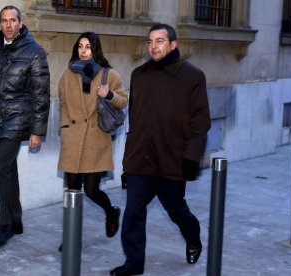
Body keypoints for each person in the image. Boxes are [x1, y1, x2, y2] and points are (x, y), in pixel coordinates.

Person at [110, 23, 211, 275]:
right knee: (133, 211)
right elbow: (136, 119)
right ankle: (134, 264)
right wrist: (128, 162)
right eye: (150, 41)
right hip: (140, 160)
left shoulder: (192, 76)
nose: (153, 46)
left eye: (159, 41)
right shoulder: (139, 74)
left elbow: (200, 122)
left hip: (172, 159)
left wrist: (191, 157)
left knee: (176, 210)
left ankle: (193, 237)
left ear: (173, 44)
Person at [0, 5, 50, 249]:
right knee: (8, 170)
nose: (8, 25)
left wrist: (37, 131)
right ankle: (16, 218)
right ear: (0, 24)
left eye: (12, 20)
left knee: (0, 169)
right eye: (4, 21)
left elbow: (41, 95)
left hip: (17, 121)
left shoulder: (35, 53)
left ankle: (5, 224)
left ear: (20, 23)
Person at [58, 32, 128, 245]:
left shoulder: (109, 74)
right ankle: (70, 236)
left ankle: (111, 211)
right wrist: (65, 128)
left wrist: (108, 95)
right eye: (80, 46)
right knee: (71, 191)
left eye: (88, 46)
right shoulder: (67, 75)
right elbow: (62, 103)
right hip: (73, 138)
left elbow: (123, 102)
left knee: (91, 190)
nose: (83, 50)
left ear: (95, 49)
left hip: (95, 140)